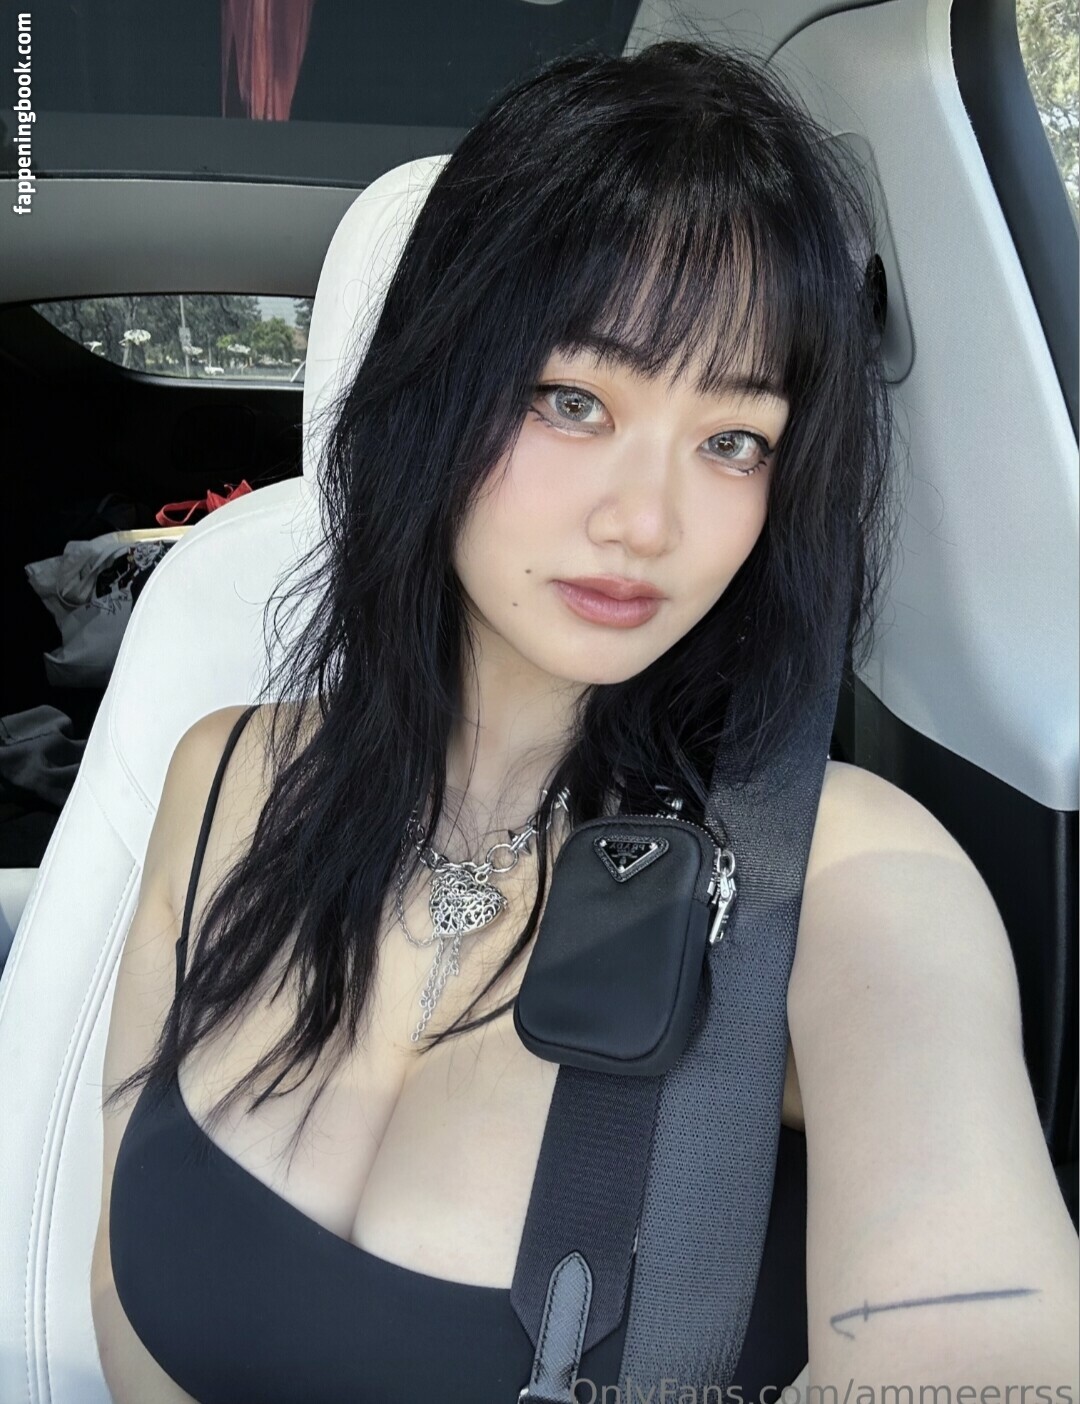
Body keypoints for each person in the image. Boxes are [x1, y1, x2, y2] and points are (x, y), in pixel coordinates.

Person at [91, 38, 1080, 1404]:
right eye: (573, 401)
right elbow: (125, 1297)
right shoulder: (224, 784)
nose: (647, 522)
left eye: (733, 440)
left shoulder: (849, 879)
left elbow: (988, 1350)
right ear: (436, 386)